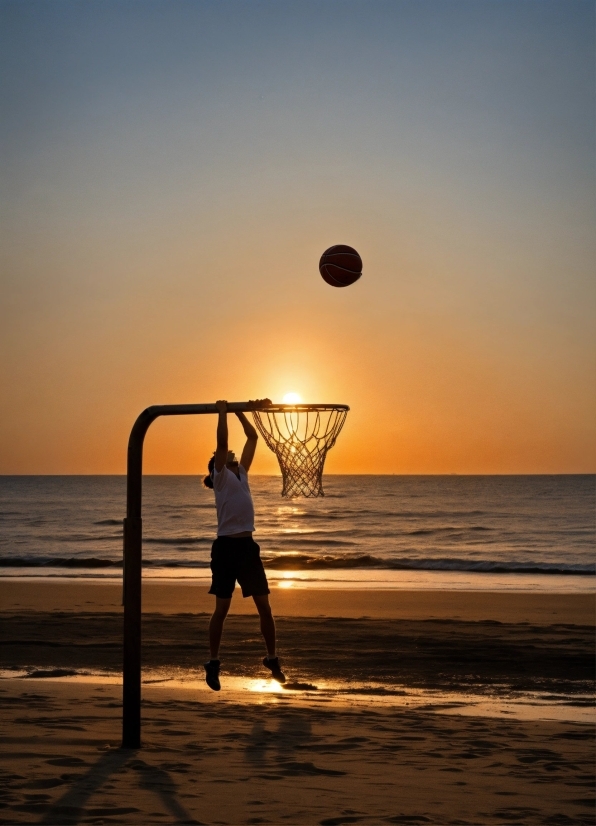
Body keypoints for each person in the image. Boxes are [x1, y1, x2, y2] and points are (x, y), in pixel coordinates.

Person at [202, 399, 286, 691]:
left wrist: (239, 411)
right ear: (217, 465)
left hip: (247, 548)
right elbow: (222, 441)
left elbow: (252, 437)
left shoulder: (243, 474)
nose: (230, 454)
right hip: (226, 549)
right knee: (222, 610)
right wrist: (223, 412)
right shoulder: (221, 477)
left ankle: (272, 658)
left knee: (265, 607)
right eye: (223, 455)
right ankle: (213, 662)